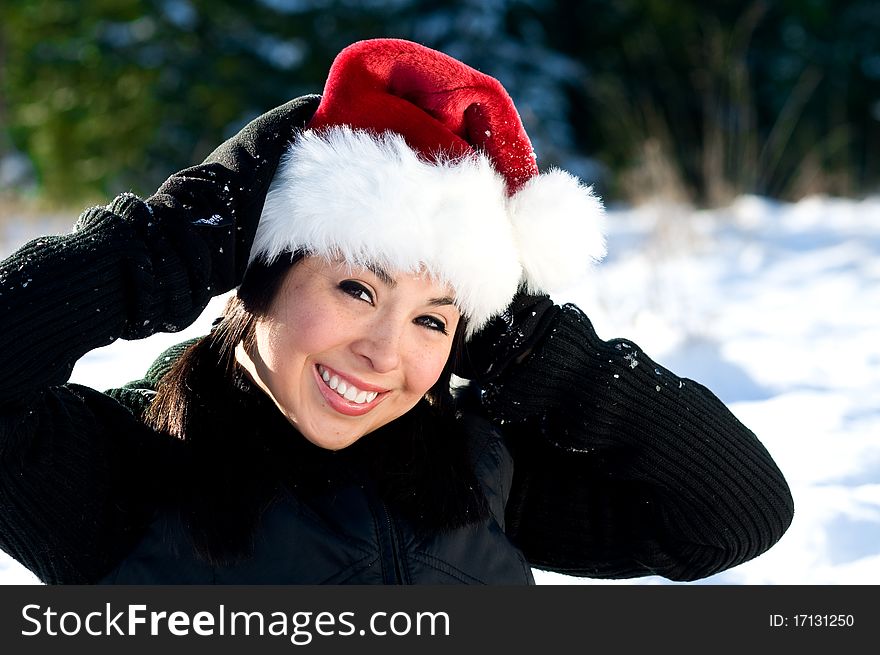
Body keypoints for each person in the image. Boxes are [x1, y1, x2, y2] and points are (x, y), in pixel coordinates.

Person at [0, 38, 793, 584]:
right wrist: (181, 235)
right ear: (256, 273)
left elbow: (736, 513)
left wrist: (531, 345)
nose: (384, 353)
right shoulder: (117, 474)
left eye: (433, 319)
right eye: (357, 289)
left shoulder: (478, 468)